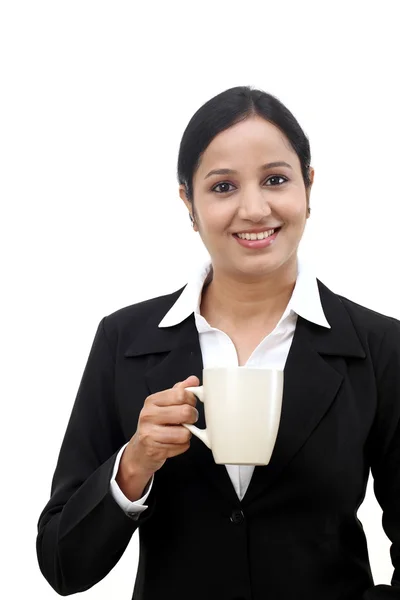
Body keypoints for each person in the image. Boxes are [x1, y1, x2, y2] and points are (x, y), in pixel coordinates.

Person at [36, 86, 400, 600]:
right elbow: (61, 564)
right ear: (188, 200)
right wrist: (134, 464)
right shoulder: (124, 340)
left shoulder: (380, 347)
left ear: (308, 187)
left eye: (276, 180)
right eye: (223, 187)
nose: (254, 209)